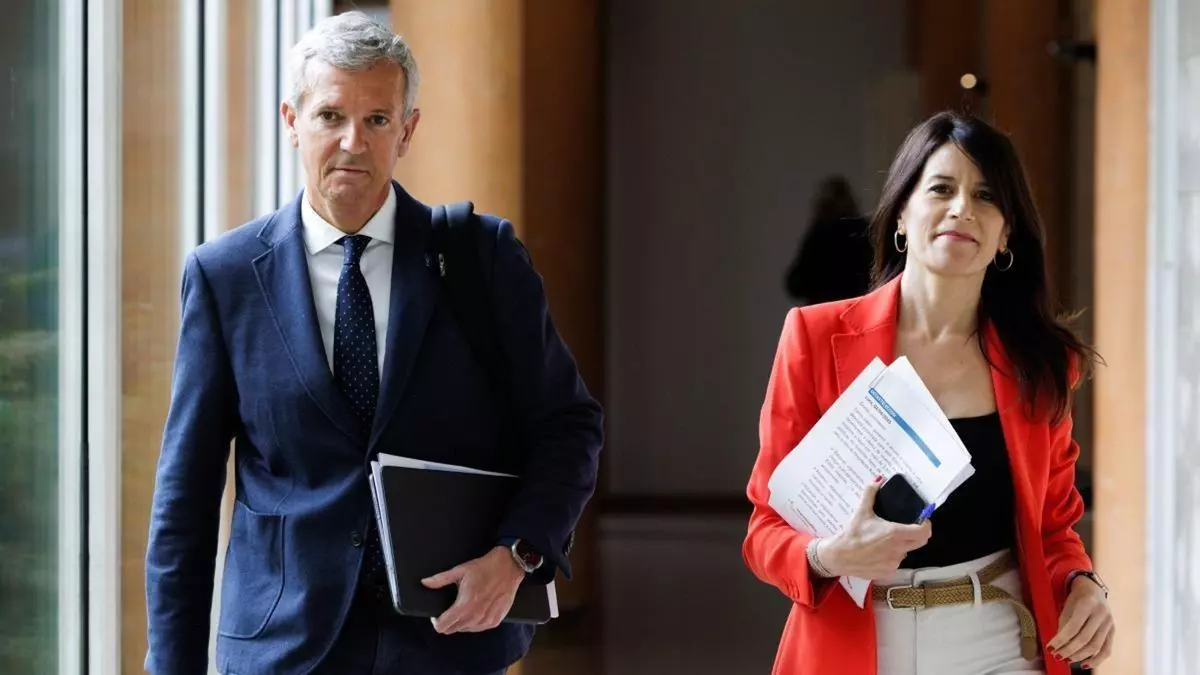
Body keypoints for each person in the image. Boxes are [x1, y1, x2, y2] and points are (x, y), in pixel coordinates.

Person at [144, 12, 603, 675]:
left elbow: (569, 425)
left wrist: (518, 554)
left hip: (448, 640)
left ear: (407, 130)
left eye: (377, 119)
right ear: (291, 121)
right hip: (284, 646)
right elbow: (184, 504)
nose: (352, 142)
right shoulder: (226, 279)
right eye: (330, 116)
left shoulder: (481, 259)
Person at [742, 112, 1114, 675]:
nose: (962, 208)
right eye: (941, 189)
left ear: (1006, 234)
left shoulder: (1041, 361)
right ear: (901, 214)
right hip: (858, 644)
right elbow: (766, 530)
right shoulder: (815, 338)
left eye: (986, 196)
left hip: (1000, 639)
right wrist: (828, 556)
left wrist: (1084, 583)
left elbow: (1053, 529)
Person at [783, 175, 873, 305]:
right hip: (855, 308)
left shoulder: (819, 235)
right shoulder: (863, 231)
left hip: (823, 310)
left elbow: (796, 284)